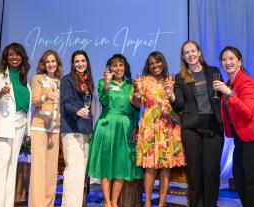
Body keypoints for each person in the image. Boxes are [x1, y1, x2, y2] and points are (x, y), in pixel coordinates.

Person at [213, 46, 254, 207]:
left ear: (239, 61)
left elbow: (247, 112)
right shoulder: (228, 84)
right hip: (241, 137)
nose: (228, 62)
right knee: (239, 176)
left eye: (231, 58)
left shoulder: (247, 82)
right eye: (224, 59)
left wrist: (229, 94)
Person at [166, 40, 224, 207]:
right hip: (191, 129)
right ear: (183, 57)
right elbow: (179, 107)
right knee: (194, 172)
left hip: (213, 127)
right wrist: (170, 94)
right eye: (186, 52)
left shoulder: (213, 72)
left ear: (199, 53)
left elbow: (220, 98)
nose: (190, 54)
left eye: (193, 51)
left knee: (211, 171)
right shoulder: (180, 78)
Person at [87, 54, 143, 207]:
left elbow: (135, 109)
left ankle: (114, 201)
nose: (118, 68)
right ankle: (106, 200)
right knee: (106, 163)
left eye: (121, 65)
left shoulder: (131, 86)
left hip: (125, 127)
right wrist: (106, 83)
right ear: (110, 68)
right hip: (106, 126)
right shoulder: (102, 83)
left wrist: (135, 126)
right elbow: (104, 101)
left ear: (125, 68)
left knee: (121, 163)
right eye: (115, 65)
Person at [131, 51, 185, 207]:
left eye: (158, 62)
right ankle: (147, 201)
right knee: (150, 166)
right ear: (148, 66)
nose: (155, 65)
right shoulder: (143, 81)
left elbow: (179, 103)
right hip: (150, 126)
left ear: (163, 62)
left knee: (165, 167)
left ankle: (161, 203)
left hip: (169, 126)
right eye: (152, 63)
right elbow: (136, 104)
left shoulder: (172, 80)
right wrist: (135, 92)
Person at [0, 42, 31, 207]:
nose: (14, 57)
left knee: (12, 165)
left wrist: (27, 131)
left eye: (17, 54)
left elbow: (26, 106)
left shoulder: (24, 79)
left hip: (19, 126)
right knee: (1, 162)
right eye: (11, 54)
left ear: (22, 57)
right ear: (6, 57)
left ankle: (7, 203)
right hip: (1, 126)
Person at [28, 50, 63, 207]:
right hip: (40, 127)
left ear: (57, 63)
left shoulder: (61, 82)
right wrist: (45, 97)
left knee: (51, 171)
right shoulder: (38, 79)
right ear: (43, 64)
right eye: (47, 61)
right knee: (38, 170)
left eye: (53, 61)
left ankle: (48, 204)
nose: (50, 64)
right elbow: (34, 101)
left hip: (55, 129)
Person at [60, 50, 94, 207]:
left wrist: (90, 128)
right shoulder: (67, 80)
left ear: (87, 62)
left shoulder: (88, 82)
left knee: (80, 174)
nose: (80, 64)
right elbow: (66, 103)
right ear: (73, 64)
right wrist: (77, 111)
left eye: (83, 61)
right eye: (77, 61)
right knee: (73, 172)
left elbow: (89, 108)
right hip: (71, 129)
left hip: (84, 131)